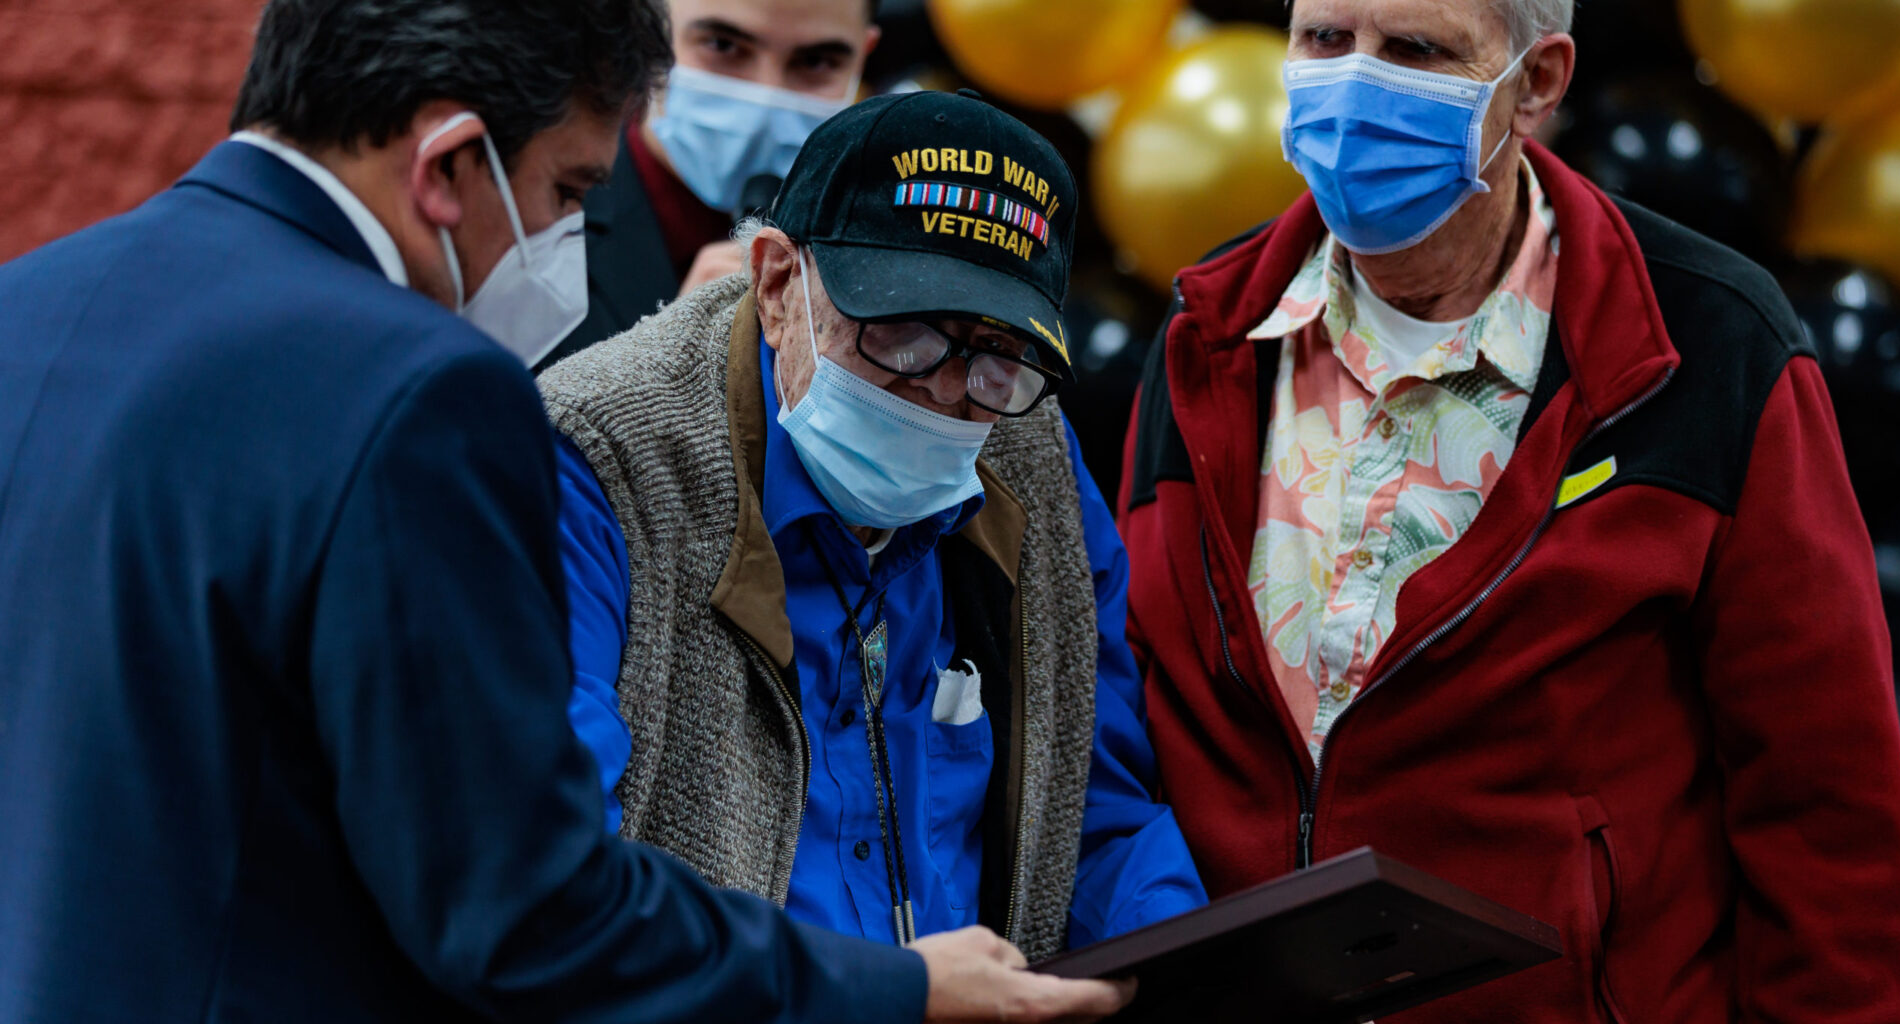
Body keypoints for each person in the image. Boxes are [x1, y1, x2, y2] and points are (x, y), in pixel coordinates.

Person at [0, 2, 1131, 1021]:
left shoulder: (27, 303)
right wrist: (901, 989)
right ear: (449, 163)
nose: (567, 246)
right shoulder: (421, 391)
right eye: (569, 194)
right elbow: (524, 905)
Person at [1118, 0, 1900, 1021]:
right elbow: (1130, 712)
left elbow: (1826, 815)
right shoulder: (1208, 334)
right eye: (1325, 39)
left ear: (1537, 81)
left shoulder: (1708, 344)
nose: (1354, 86)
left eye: (1415, 50)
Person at [541, 88, 1209, 960]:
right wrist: (889, 998)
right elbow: (558, 876)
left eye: (995, 351)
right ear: (778, 284)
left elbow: (1096, 808)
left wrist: (1195, 967)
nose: (942, 390)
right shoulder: (596, 458)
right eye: (902, 333)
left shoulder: (1027, 450)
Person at [537, 0, 880, 372]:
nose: (765, 97)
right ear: (647, 32)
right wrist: (659, 362)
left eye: (816, 62)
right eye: (722, 45)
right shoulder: (530, 210)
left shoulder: (886, 227)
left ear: (863, 57)